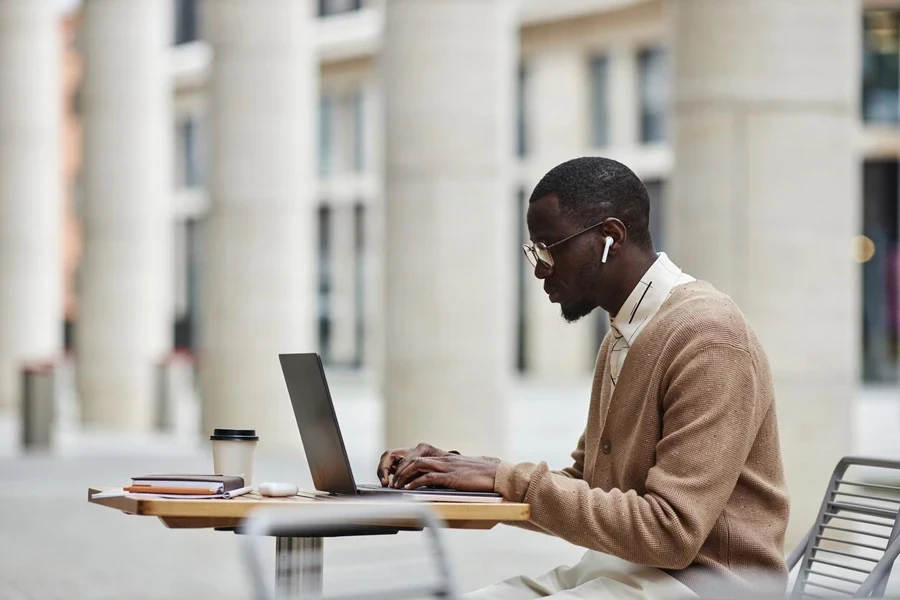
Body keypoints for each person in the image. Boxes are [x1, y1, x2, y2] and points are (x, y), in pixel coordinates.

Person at [377, 157, 790, 599]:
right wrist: (460, 477)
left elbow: (671, 531)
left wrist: (503, 478)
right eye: (533, 251)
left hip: (709, 586)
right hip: (624, 572)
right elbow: (588, 485)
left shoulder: (708, 336)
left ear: (608, 238)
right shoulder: (625, 334)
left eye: (549, 247)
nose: (540, 269)